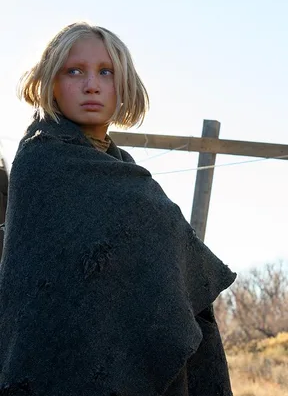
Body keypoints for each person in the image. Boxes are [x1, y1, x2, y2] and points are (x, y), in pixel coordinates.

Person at [0, 22, 236, 396]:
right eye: (74, 71)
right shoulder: (41, 162)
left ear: (123, 87)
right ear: (51, 82)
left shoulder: (124, 170)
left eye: (105, 72)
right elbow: (39, 291)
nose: (91, 84)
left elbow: (170, 280)